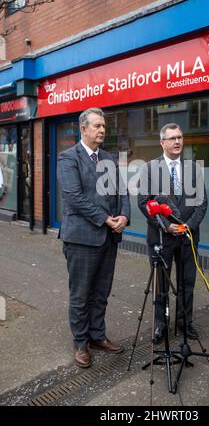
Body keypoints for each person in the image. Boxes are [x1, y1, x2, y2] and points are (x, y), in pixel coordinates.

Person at [57, 108, 130, 368]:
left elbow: (122, 192)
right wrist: (105, 218)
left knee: (101, 292)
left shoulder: (109, 158)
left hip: (108, 238)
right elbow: (74, 197)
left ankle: (97, 336)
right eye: (97, 126)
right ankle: (80, 343)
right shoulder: (68, 158)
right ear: (83, 129)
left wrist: (124, 216)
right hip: (81, 239)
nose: (101, 130)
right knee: (81, 294)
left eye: (103, 126)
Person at [138, 123, 207, 344]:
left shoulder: (194, 168)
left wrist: (188, 226)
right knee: (161, 285)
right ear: (162, 142)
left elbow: (202, 203)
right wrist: (165, 226)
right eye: (172, 138)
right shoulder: (149, 168)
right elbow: (144, 202)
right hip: (161, 237)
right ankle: (160, 325)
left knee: (187, 283)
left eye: (180, 137)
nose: (177, 141)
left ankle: (184, 323)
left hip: (188, 236)